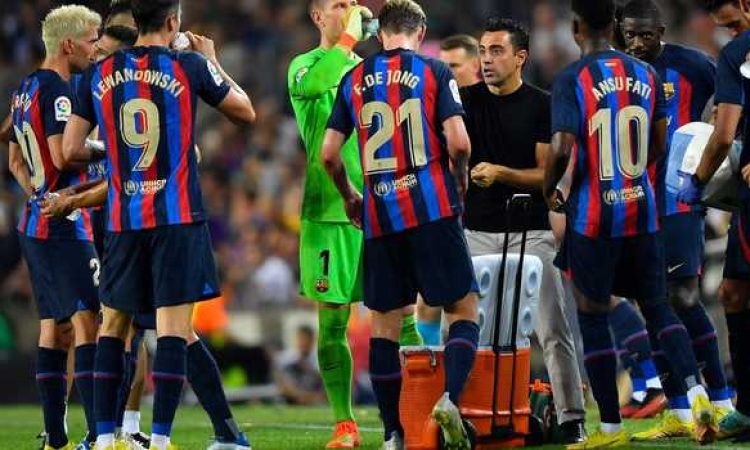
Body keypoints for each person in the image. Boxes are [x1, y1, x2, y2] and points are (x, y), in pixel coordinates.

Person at [60, 0, 256, 448]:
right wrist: (212, 60)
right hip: (176, 216)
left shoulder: (99, 73)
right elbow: (245, 112)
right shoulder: (188, 65)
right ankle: (163, 440)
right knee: (171, 330)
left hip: (124, 219)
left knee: (113, 327)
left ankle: (106, 438)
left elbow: (71, 149)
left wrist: (115, 153)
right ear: (173, 22)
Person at [545, 0, 716, 447]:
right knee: (658, 306)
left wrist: (552, 188)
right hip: (643, 210)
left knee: (592, 315)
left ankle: (611, 429)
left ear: (578, 27)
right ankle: (697, 395)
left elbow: (562, 148)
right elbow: (661, 141)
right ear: (616, 28)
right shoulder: (648, 75)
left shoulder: (572, 78)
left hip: (594, 216)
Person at [322, 1, 479, 448]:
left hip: (380, 216)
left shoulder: (353, 79)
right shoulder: (434, 71)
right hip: (431, 210)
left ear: (380, 35)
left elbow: (329, 154)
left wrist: (351, 195)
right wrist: (460, 181)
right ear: (420, 30)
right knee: (462, 309)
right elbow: (459, 142)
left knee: (385, 327)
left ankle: (392, 434)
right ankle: (450, 400)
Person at [288, 1, 421, 447]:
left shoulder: (370, 71)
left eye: (352, 4)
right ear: (317, 17)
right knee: (332, 322)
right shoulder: (304, 67)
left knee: (403, 315)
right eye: (338, 5)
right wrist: (348, 39)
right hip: (328, 209)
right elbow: (325, 81)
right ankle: (345, 424)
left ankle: (418, 412)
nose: (349, 10)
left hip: (382, 205)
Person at [460, 17, 587, 443]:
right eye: (482, 51)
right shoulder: (464, 101)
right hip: (475, 229)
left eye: (497, 51)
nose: (487, 59)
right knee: (466, 328)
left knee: (552, 328)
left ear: (520, 57)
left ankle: (572, 418)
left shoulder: (541, 104)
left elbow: (544, 176)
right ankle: (465, 412)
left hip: (531, 231)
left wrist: (498, 173)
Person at [617, 0, 733, 440]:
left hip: (680, 197)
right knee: (651, 304)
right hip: (631, 198)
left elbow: (730, 110)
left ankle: (719, 400)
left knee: (682, 296)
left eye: (647, 34)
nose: (639, 42)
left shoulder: (693, 65)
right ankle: (680, 409)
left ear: (661, 30)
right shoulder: (613, 75)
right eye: (630, 34)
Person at [8, 6, 101, 449]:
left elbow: (11, 154)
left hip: (35, 222)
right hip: (64, 222)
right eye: (91, 38)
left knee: (53, 326)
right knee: (89, 322)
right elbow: (65, 154)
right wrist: (110, 148)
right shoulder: (58, 90)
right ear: (69, 44)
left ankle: (55, 438)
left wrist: (33, 190)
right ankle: (101, 434)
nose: (95, 46)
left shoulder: (24, 88)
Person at [679, 0, 750, 440]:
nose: (729, 34)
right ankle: (745, 407)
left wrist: (698, 181)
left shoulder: (737, 54)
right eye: (724, 29)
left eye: (734, 24)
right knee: (734, 291)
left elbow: (723, 134)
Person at [415, 34, 482, 346]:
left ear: (476, 65)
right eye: (442, 66)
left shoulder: (488, 104)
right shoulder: (430, 110)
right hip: (445, 214)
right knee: (428, 301)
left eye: (453, 66)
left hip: (485, 220)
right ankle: (430, 370)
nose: (446, 73)